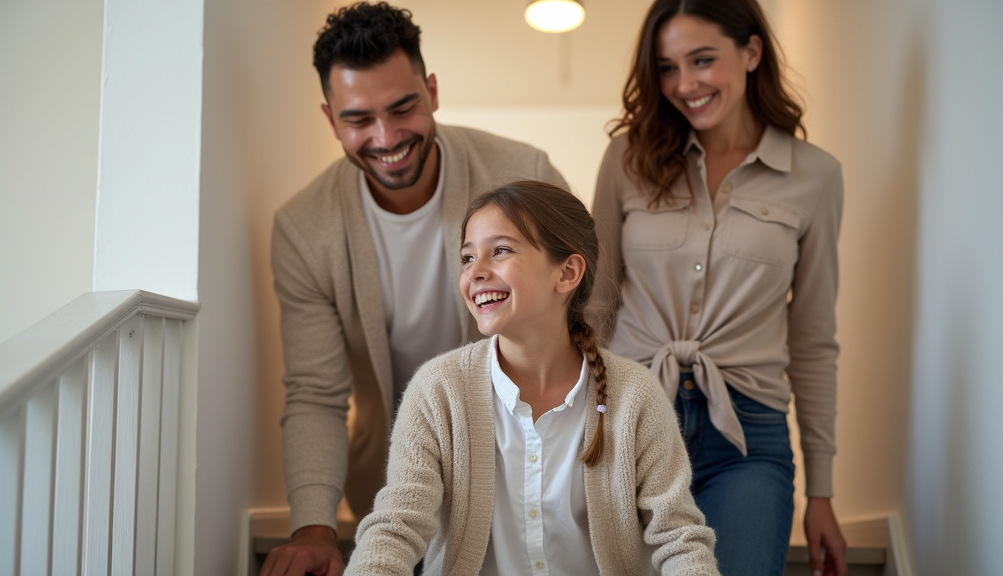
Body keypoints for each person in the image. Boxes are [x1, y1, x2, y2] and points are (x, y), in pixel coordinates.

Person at [262, 3, 567, 575]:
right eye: (359, 119)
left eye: (403, 107)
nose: (386, 137)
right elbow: (316, 394)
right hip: (394, 494)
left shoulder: (526, 175)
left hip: (532, 479)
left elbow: (582, 330)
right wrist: (314, 527)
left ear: (431, 91)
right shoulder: (304, 229)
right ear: (331, 120)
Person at [343, 181, 719, 575]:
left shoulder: (635, 395)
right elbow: (396, 526)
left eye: (500, 251)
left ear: (567, 272)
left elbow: (678, 538)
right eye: (467, 258)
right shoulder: (437, 390)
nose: (476, 273)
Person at [590, 1, 848, 575]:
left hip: (747, 442)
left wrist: (823, 493)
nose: (684, 84)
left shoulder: (816, 177)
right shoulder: (627, 159)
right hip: (631, 420)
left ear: (752, 52)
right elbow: (592, 305)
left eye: (702, 60)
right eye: (666, 67)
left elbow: (812, 340)